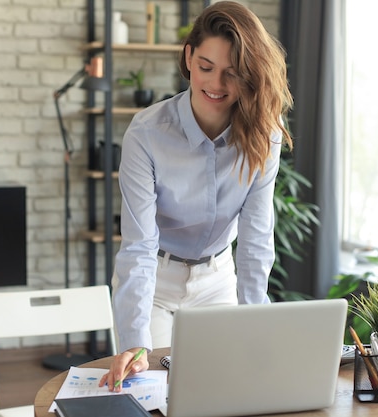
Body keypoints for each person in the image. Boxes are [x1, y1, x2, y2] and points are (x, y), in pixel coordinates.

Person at [99, 1, 293, 391]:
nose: (217, 85)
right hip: (156, 282)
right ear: (189, 58)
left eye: (232, 73)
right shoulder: (147, 133)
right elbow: (138, 245)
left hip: (216, 281)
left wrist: (255, 322)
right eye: (206, 67)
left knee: (224, 389)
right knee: (149, 389)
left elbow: (256, 239)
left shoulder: (264, 135)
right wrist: (135, 341)